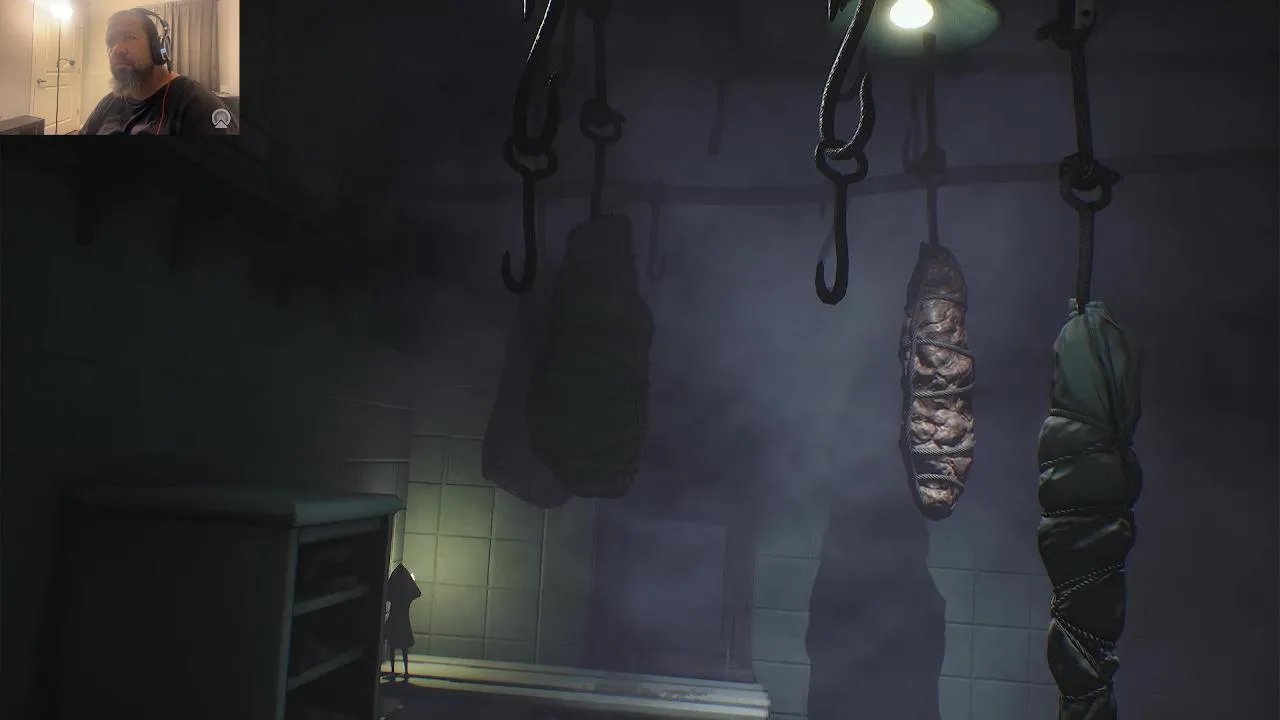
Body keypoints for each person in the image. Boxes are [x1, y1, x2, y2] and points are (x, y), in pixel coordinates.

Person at [80, 9, 237, 135]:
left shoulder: (199, 106)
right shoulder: (108, 103)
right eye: (110, 43)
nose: (117, 50)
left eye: (129, 37)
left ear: (158, 47)